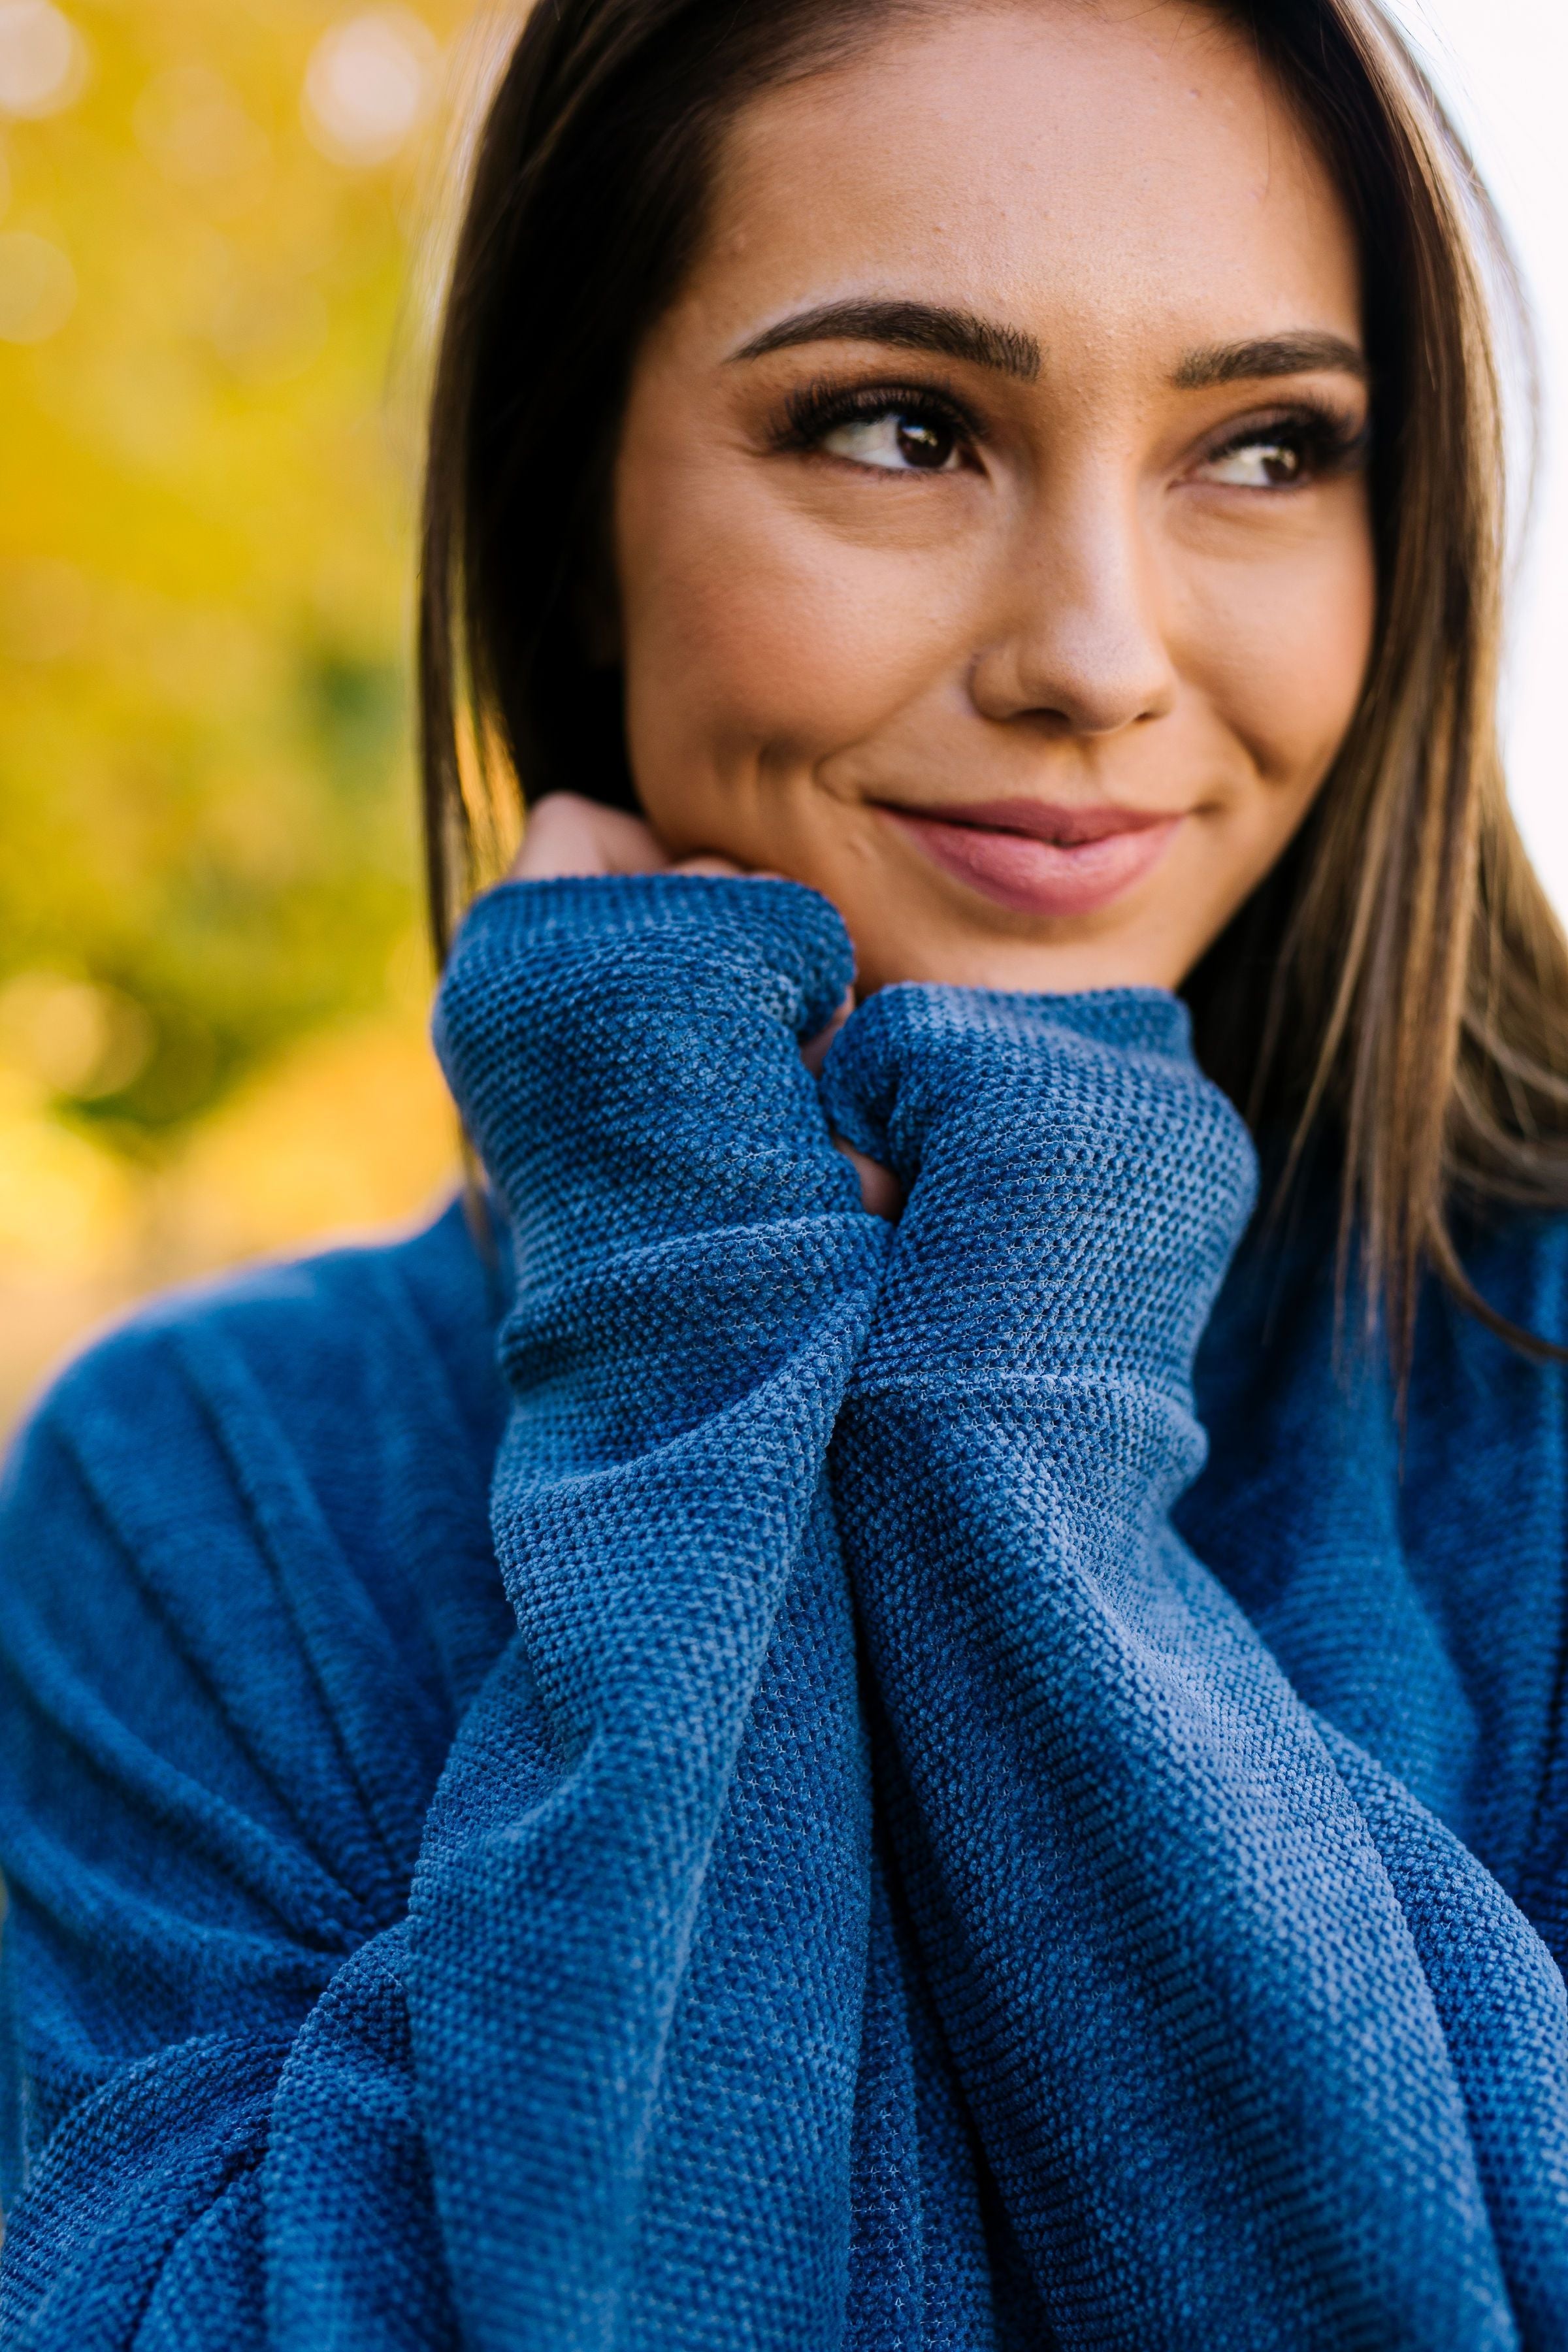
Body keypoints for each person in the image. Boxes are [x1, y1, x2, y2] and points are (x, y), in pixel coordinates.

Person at [3, 0, 1568, 2340]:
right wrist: (695, 1323)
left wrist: (1011, 1394)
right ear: (573, 495)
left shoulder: (1536, 1399)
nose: (1100, 656)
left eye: (1264, 448)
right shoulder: (197, 1493)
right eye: (902, 428)